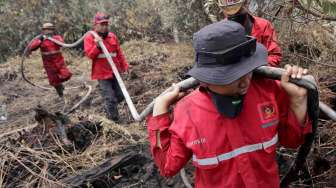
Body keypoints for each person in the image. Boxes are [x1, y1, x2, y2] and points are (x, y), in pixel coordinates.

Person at [146, 20, 312, 188]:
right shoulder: (187, 112)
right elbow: (168, 168)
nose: (244, 82)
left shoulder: (268, 91)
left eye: (246, 70)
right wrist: (160, 111)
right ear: (207, 79)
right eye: (231, 76)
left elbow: (292, 141)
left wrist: (297, 102)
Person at [84, 12, 129, 122]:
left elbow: (119, 53)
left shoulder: (112, 36)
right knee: (110, 98)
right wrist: (97, 46)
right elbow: (90, 55)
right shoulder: (90, 37)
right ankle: (114, 121)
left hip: (115, 72)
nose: (104, 27)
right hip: (102, 74)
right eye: (102, 24)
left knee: (121, 96)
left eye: (106, 24)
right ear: (96, 25)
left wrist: (125, 66)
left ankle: (108, 108)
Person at [218, 0, 282, 66]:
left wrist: (257, 66)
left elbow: (275, 55)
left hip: (258, 72)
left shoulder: (263, 25)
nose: (234, 16)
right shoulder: (219, 30)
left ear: (245, 5)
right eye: (230, 14)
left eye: (238, 11)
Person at [28, 22, 72, 97]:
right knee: (54, 81)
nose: (48, 31)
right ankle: (61, 94)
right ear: (43, 30)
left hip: (59, 62)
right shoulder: (40, 39)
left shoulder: (57, 37)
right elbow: (31, 47)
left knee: (66, 75)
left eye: (50, 29)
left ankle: (61, 85)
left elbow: (62, 44)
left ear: (53, 30)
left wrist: (54, 40)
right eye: (46, 29)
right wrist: (40, 40)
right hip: (49, 65)